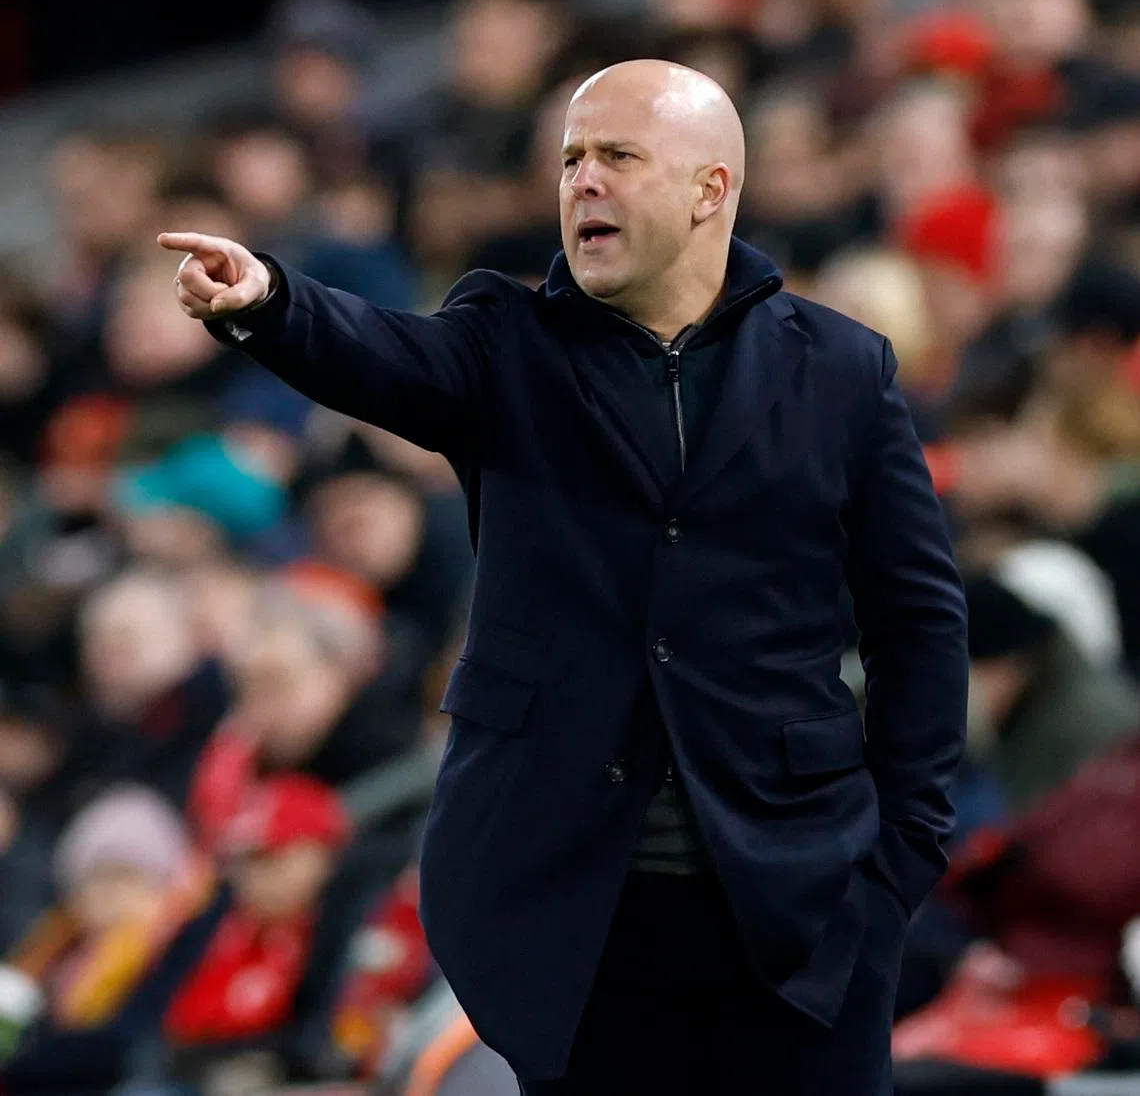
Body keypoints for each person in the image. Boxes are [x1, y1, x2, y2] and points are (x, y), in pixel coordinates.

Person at [157, 59, 968, 1096]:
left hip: (796, 905)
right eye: (572, 159)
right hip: (575, 912)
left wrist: (902, 856)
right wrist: (266, 302)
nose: (583, 180)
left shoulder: (844, 370)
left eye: (618, 156)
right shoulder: (508, 342)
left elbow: (920, 622)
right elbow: (382, 353)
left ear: (709, 189)